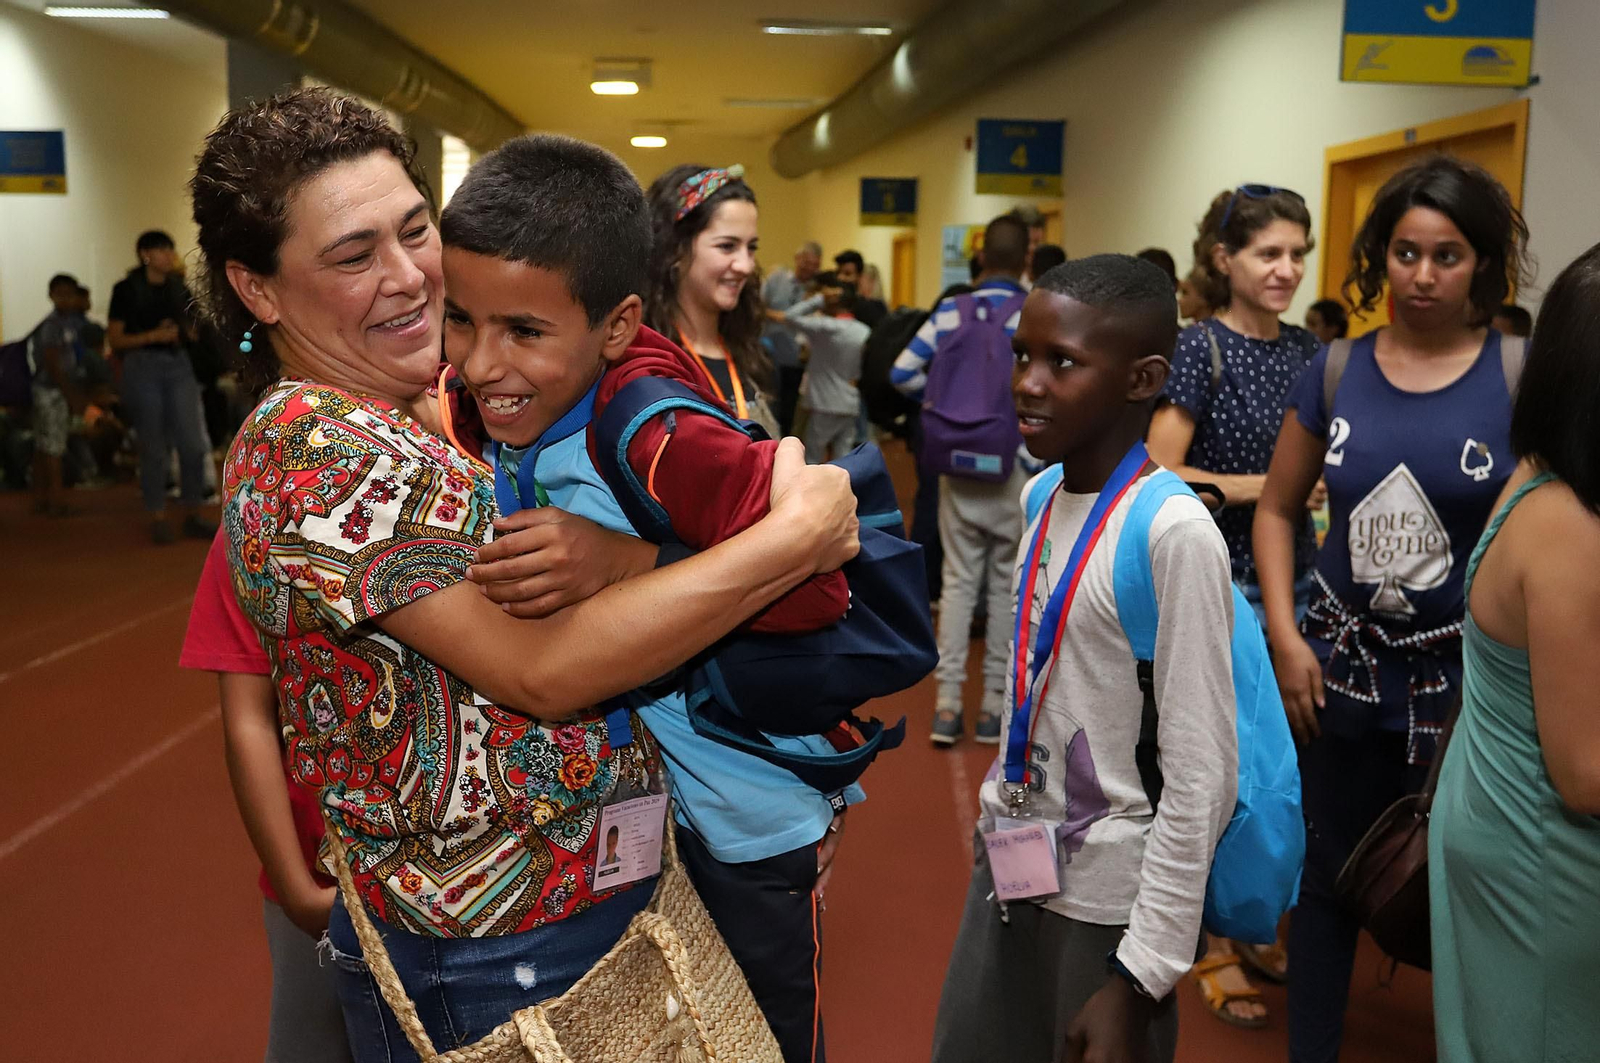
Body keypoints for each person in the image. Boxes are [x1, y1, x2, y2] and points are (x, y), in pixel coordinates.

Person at [189, 88, 858, 1060]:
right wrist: (790, 538)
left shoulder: (417, 404)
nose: (409, 276)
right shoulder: (314, 447)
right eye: (351, 255)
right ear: (259, 290)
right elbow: (540, 670)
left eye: (414, 229)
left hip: (571, 912)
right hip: (498, 954)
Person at [436, 133, 862, 1063]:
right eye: (459, 320)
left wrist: (628, 561)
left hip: (749, 822)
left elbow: (816, 583)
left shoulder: (654, 429)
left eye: (523, 331)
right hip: (671, 804)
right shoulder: (528, 407)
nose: (478, 361)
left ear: (619, 325)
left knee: (765, 1040)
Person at [1252, 154, 1530, 1063]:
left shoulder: (1520, 377)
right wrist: (1284, 635)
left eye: (1447, 256)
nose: (1421, 275)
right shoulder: (1336, 369)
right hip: (1335, 671)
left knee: (1464, 887)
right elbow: (1278, 508)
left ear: (1483, 265)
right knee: (1327, 880)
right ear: (1382, 257)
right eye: (1405, 252)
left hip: (1467, 689)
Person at [932, 255, 1237, 1063]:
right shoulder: (1040, 496)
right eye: (1022, 355)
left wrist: (1141, 979)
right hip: (1011, 868)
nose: (1027, 383)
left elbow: (1202, 775)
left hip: (1109, 916)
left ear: (1143, 379)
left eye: (1061, 363)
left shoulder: (1172, 534)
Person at [1147, 184, 1320, 1027]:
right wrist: (1264, 489)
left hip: (1295, 581)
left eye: (1298, 253)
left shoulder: (1310, 349)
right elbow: (1158, 466)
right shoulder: (1199, 348)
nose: (1286, 269)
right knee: (1219, 773)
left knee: (1281, 773)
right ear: (1226, 260)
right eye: (1268, 254)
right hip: (1221, 587)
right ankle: (1210, 943)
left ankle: (1255, 920)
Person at [1429, 243, 1600, 1063]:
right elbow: (1587, 773)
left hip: (1498, 814)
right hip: (1546, 853)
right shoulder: (1570, 525)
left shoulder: (1541, 468)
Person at [180, 531, 352, 1063]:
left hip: (472, 879)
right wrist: (297, 892)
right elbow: (249, 716)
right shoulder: (256, 516)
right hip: (321, 880)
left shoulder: (489, 473)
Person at [892, 214, 1033, 745]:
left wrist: (944, 404)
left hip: (954, 465)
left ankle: (947, 705)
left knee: (955, 582)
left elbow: (902, 372)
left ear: (979, 260)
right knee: (1005, 585)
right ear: (1024, 260)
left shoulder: (951, 310)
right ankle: (993, 708)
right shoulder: (1033, 313)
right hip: (1012, 467)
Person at [643, 163, 778, 435]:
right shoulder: (646, 362)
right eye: (727, 246)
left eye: (751, 248)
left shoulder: (750, 353)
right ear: (676, 250)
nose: (746, 266)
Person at [107, 229, 215, 543]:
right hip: (142, 366)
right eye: (162, 250)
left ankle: (192, 511)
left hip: (178, 364)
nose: (169, 256)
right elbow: (115, 339)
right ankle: (157, 514)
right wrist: (153, 336)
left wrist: (189, 331)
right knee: (153, 446)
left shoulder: (178, 288)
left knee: (193, 445)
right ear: (146, 255)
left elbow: (195, 327)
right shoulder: (126, 290)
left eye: (170, 249)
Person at [773, 270, 870, 464]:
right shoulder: (863, 330)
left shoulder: (824, 328)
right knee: (844, 460)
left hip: (823, 402)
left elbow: (790, 317)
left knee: (813, 457)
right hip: (850, 402)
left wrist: (818, 300)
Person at [26, 273, 92, 516]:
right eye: (60, 294)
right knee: (53, 447)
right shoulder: (52, 325)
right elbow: (52, 363)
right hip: (50, 391)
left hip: (56, 390)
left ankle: (41, 497)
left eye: (70, 294)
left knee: (46, 445)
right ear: (51, 295)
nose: (66, 299)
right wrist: (70, 394)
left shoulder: (70, 323)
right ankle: (55, 499)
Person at [763, 240, 821, 435]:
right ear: (797, 259)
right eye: (806, 263)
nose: (809, 269)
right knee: (769, 405)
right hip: (770, 353)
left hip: (798, 360)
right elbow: (758, 308)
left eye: (814, 265)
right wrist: (782, 318)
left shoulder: (817, 291)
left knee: (789, 410)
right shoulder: (776, 279)